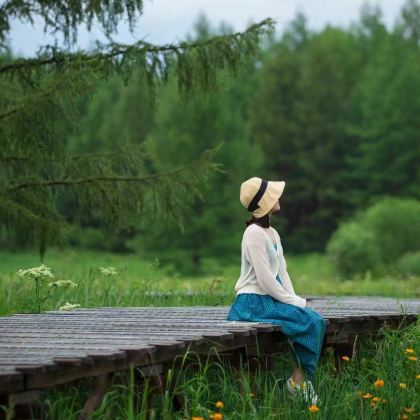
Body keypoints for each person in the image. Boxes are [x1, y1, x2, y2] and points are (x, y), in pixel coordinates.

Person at [226, 176, 327, 405]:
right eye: (273, 195)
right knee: (310, 321)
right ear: (264, 203)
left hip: (268, 298)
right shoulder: (253, 233)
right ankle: (297, 385)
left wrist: (294, 300)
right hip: (253, 302)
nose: (279, 197)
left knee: (316, 320)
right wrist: (293, 302)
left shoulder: (272, 234)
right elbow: (264, 279)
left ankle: (298, 382)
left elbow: (282, 273)